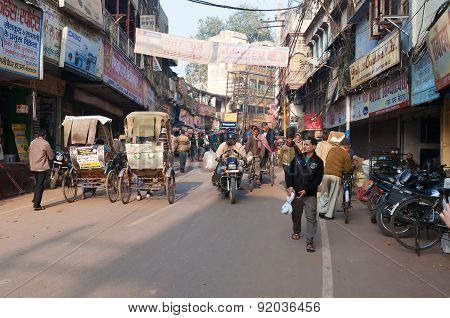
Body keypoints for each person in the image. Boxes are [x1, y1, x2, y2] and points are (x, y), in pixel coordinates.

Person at [286, 137, 324, 253]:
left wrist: (307, 190)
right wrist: (290, 186)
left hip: (310, 194)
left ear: (314, 146)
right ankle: (296, 231)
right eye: (304, 144)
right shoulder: (298, 158)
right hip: (296, 193)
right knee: (296, 215)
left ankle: (309, 241)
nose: (305, 146)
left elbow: (318, 180)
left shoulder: (318, 162)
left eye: (307, 144)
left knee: (311, 217)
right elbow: (289, 172)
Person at [318, 138, 352, 220]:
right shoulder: (346, 155)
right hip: (336, 176)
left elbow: (327, 159)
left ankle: (322, 211)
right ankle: (329, 215)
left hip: (326, 174)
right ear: (347, 147)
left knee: (324, 193)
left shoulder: (332, 149)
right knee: (333, 196)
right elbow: (347, 168)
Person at [29, 129, 53, 211]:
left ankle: (35, 200)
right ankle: (37, 205)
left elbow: (30, 151)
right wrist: (50, 158)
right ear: (45, 136)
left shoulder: (32, 142)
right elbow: (51, 155)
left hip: (33, 167)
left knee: (37, 184)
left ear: (38, 135)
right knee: (40, 185)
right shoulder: (45, 143)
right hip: (41, 167)